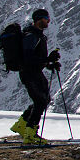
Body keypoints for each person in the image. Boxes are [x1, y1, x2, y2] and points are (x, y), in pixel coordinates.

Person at [9, 9, 60, 144]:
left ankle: (21, 125)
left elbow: (37, 58)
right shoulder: (31, 36)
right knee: (40, 101)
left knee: (44, 99)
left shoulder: (38, 36)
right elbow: (28, 58)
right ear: (39, 19)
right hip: (29, 73)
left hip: (35, 72)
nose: (48, 22)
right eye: (46, 19)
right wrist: (47, 60)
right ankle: (30, 134)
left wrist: (50, 63)